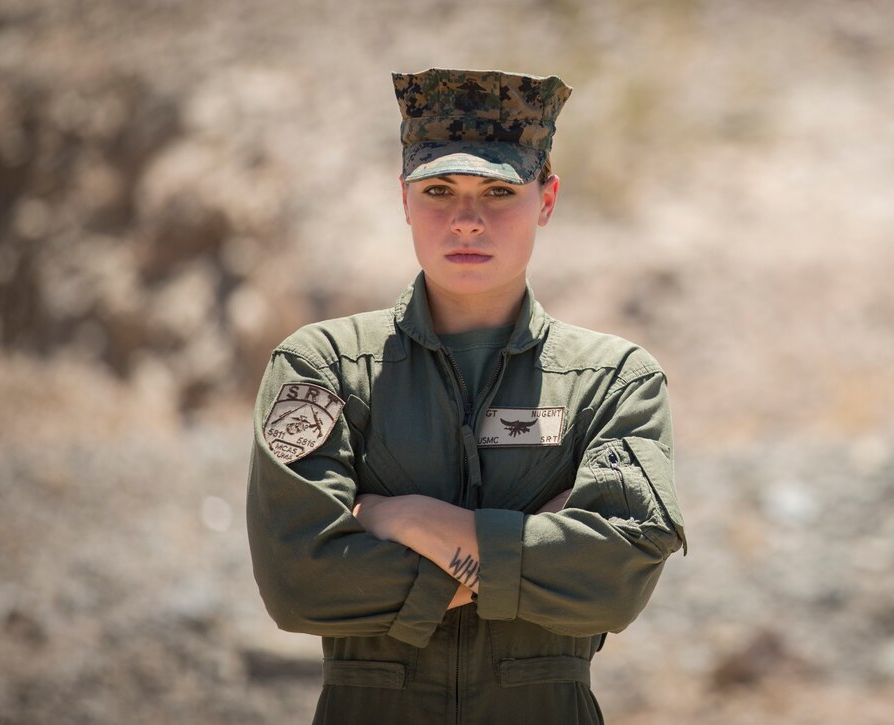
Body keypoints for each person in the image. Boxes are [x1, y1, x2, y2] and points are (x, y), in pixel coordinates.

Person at [246, 68, 686, 724]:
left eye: (499, 191)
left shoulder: (614, 381)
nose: (467, 221)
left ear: (547, 200)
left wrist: (407, 518)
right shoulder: (324, 367)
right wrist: (534, 547)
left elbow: (612, 580)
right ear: (404, 199)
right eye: (439, 190)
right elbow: (297, 582)